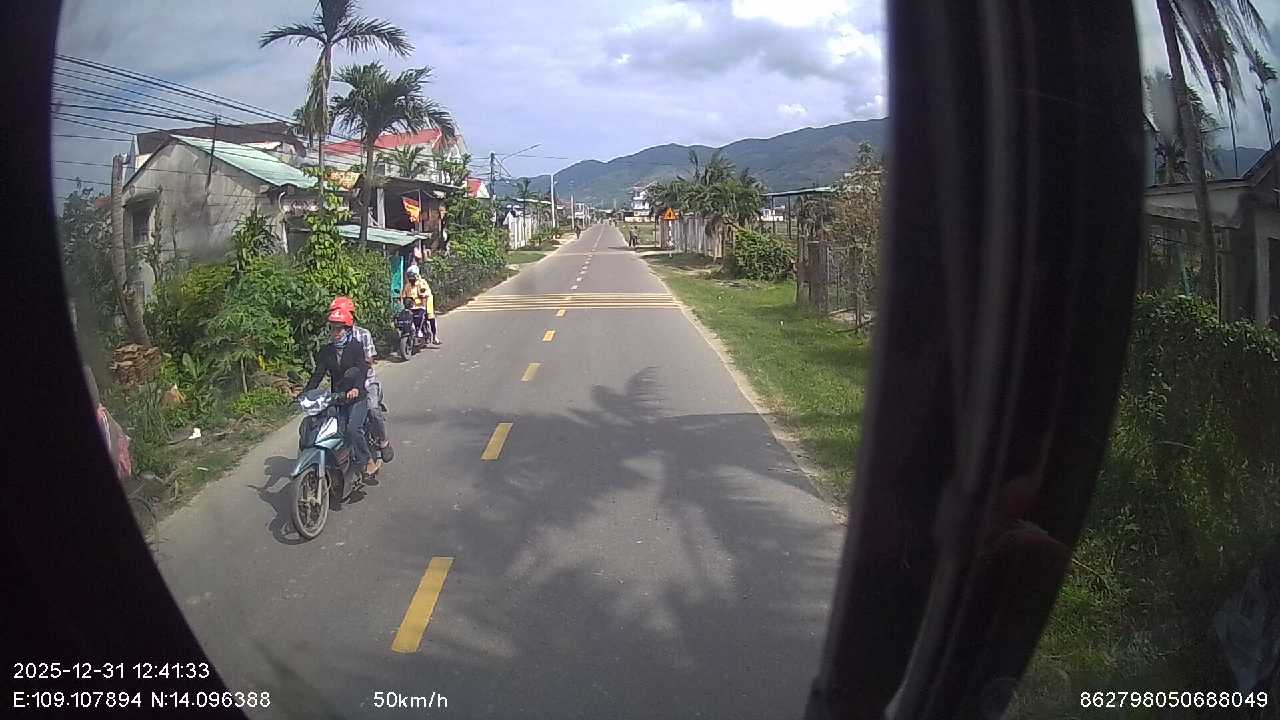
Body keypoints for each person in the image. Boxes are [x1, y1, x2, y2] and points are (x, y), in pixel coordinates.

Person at [303, 307, 377, 476]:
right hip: (337, 397)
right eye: (332, 329)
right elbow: (318, 375)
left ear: (347, 330)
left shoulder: (356, 347)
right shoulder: (326, 351)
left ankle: (367, 460)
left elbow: (362, 370)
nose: (335, 333)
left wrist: (356, 388)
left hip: (357, 398)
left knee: (352, 429)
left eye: (339, 329)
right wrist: (305, 393)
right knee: (328, 430)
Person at [329, 296, 388, 450]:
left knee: (373, 410)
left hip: (367, 382)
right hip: (343, 386)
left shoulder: (363, 334)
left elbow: (368, 361)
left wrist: (356, 365)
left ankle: (384, 441)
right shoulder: (334, 337)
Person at [401, 265, 441, 346]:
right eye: (409, 276)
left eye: (412, 276)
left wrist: (423, 302)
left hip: (425, 302)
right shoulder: (408, 285)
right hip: (413, 305)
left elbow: (425, 295)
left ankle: (435, 337)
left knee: (430, 316)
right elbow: (404, 296)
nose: (411, 278)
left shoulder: (422, 283)